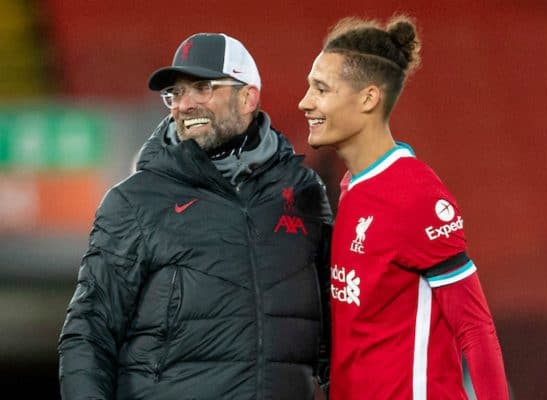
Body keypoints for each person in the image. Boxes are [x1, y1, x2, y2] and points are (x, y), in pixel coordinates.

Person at [58, 32, 332, 400]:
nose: (183, 105)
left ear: (248, 96)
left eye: (202, 87)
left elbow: (335, 325)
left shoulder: (303, 192)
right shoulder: (136, 200)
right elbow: (89, 329)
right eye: (175, 93)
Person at [298, 15, 509, 400]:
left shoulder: (415, 196)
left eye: (321, 89)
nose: (305, 102)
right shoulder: (351, 186)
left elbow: (475, 329)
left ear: (368, 98)